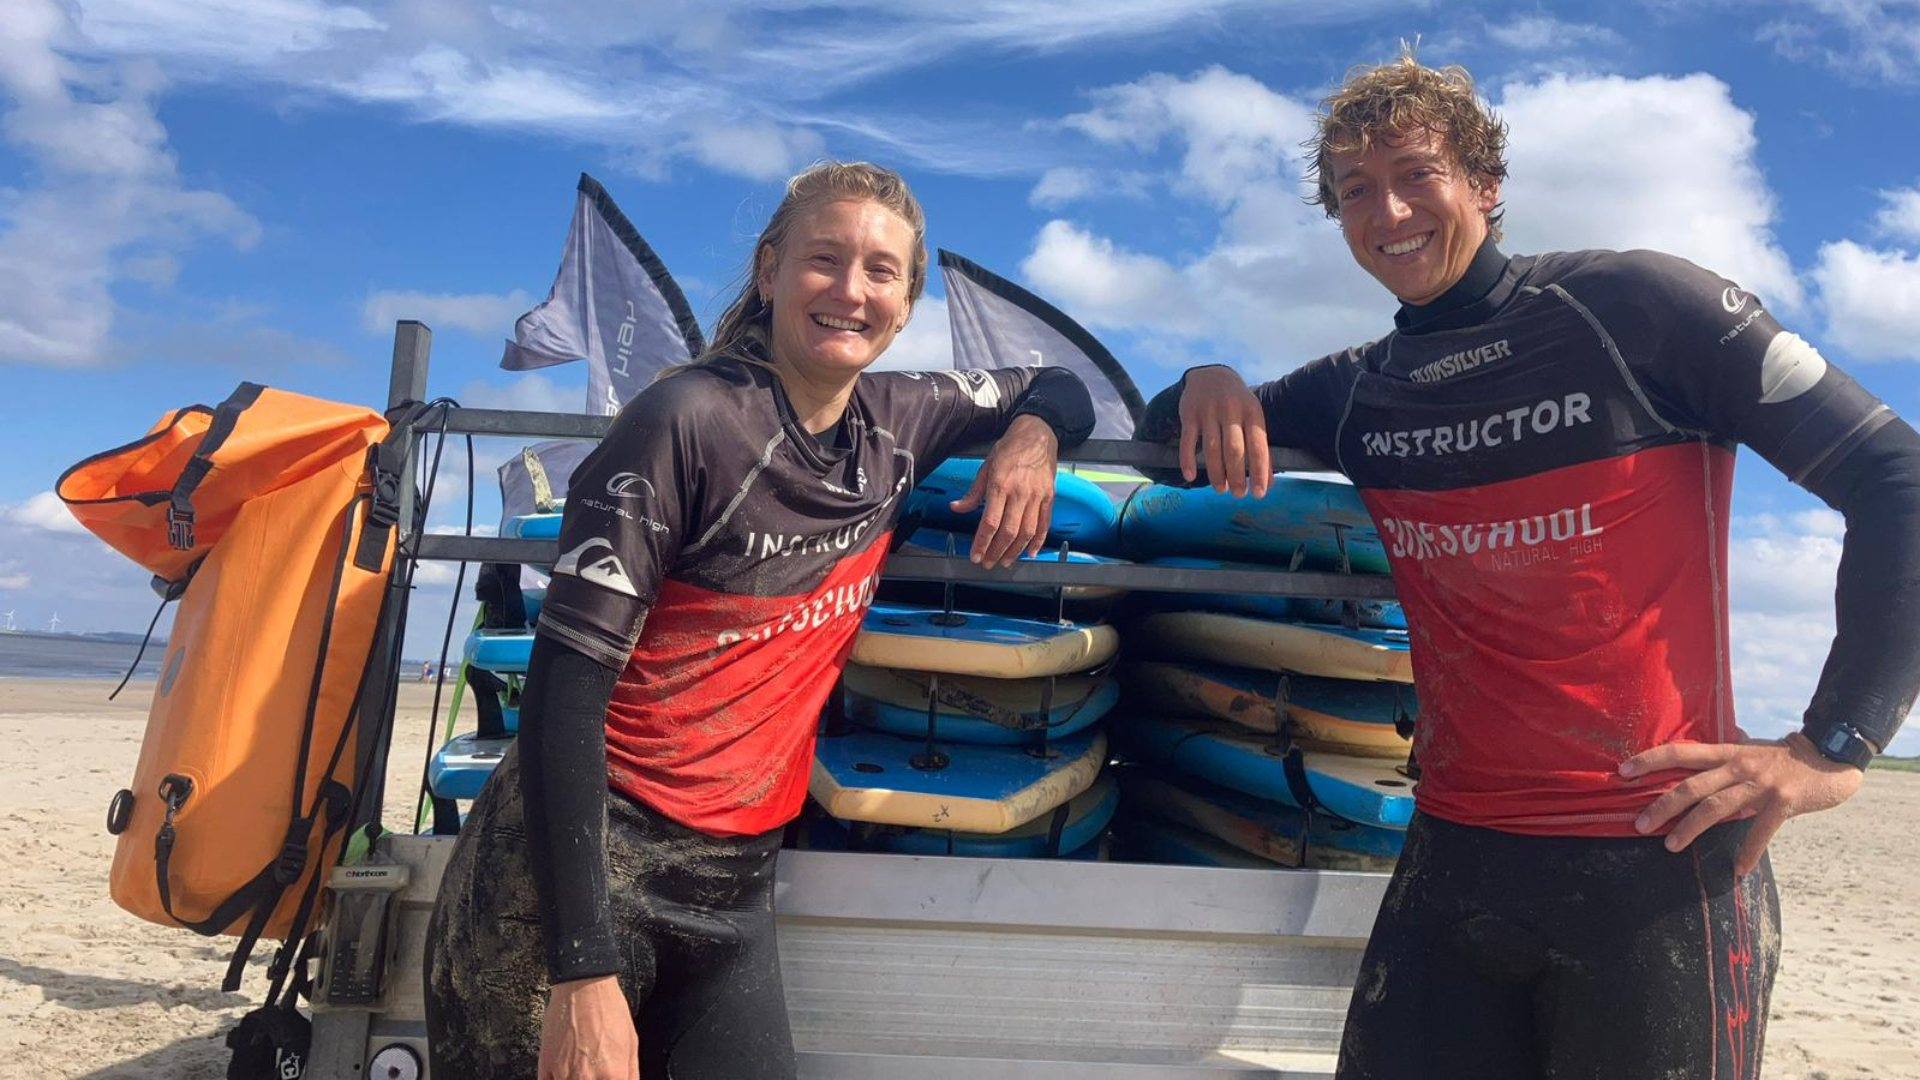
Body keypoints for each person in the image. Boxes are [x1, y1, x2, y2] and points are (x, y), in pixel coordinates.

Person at [1140, 50, 1920, 1080]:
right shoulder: (1361, 392)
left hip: (1659, 867)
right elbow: (1167, 429)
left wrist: (1835, 744)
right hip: (1455, 856)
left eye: (1417, 173)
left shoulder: (1635, 312)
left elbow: (1895, 474)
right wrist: (1207, 373)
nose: (1389, 210)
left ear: (1485, 185)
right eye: (1356, 191)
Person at [425, 161, 1095, 1079]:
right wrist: (581, 971)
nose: (850, 290)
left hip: (731, 881)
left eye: (880, 271)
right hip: (569, 882)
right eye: (825, 260)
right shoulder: (685, 421)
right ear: (770, 270)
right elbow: (563, 692)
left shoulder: (900, 423)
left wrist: (1031, 436)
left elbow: (1056, 382)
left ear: (906, 303)